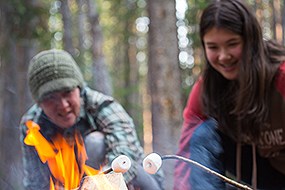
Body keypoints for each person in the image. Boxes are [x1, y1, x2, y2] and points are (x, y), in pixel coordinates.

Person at [174, 0, 285, 189]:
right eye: (213, 47)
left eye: (232, 44)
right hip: (259, 175)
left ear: (250, 41)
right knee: (201, 133)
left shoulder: (280, 75)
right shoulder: (207, 89)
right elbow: (187, 156)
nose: (224, 56)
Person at [19, 49, 164, 190]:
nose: (63, 105)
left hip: (135, 182)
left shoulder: (102, 106)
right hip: (76, 184)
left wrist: (98, 185)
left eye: (67, 92)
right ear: (39, 102)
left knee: (95, 143)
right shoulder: (32, 126)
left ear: (79, 89)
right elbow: (36, 182)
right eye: (51, 98)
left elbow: (124, 157)